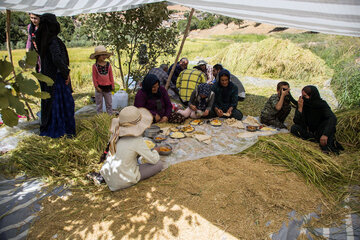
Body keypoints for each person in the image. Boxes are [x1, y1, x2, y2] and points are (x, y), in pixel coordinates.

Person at [99, 106, 164, 191]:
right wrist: (156, 150)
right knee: (159, 164)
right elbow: (154, 160)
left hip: (108, 176)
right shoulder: (136, 140)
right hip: (123, 181)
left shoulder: (115, 135)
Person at [35, 13, 75, 138]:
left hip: (46, 77)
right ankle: (62, 130)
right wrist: (66, 73)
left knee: (50, 104)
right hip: (56, 78)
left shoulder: (42, 39)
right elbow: (57, 59)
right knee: (61, 104)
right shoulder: (52, 40)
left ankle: (53, 127)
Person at [290, 85, 344, 154]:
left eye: (305, 96)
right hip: (310, 133)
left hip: (321, 132)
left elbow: (332, 118)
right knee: (294, 128)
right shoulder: (303, 104)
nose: (303, 98)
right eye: (302, 96)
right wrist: (300, 109)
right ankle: (314, 140)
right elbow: (296, 121)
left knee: (328, 124)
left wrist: (325, 134)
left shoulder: (321, 104)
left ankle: (326, 145)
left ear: (312, 96)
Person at [90, 45, 114, 115]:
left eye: (105, 55)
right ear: (97, 56)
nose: (104, 57)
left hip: (108, 86)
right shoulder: (95, 66)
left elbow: (111, 76)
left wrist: (112, 85)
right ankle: (99, 117)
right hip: (99, 87)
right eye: (102, 55)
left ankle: (110, 115)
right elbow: (94, 77)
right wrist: (96, 87)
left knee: (109, 103)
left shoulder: (108, 65)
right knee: (99, 104)